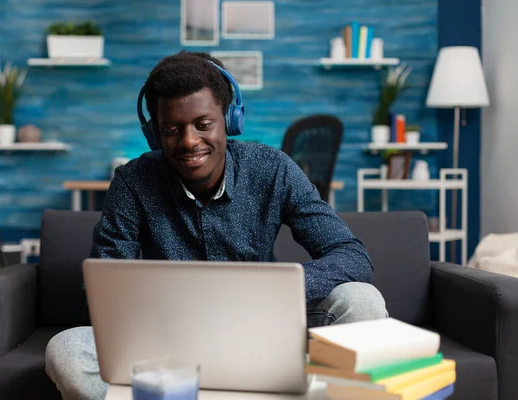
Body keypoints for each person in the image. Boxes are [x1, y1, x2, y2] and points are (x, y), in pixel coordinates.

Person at [45, 51, 388, 399]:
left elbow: (352, 256)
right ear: (154, 135)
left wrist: (277, 290)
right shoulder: (133, 182)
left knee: (361, 300)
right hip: (167, 343)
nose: (189, 141)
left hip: (264, 329)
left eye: (203, 124)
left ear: (230, 119)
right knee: (68, 350)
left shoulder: (273, 169)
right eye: (172, 130)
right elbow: (99, 299)